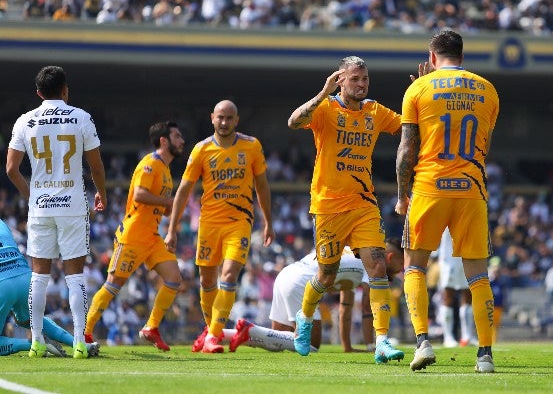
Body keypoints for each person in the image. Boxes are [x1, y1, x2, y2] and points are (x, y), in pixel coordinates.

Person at [287, 55, 404, 364]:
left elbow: (407, 125)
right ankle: (304, 315)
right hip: (328, 206)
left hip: (364, 204)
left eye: (365, 79)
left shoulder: (374, 111)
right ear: (341, 81)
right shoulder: (325, 109)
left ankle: (381, 341)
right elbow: (293, 121)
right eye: (355, 79)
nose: (362, 84)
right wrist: (323, 93)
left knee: (378, 268)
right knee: (326, 275)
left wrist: (423, 92)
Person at [395, 29, 499, 373]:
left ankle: (423, 342)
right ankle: (484, 355)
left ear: (432, 57)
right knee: (478, 276)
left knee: (414, 267)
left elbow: (407, 150)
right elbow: (482, 141)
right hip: (471, 189)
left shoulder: (418, 89)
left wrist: (402, 194)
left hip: (429, 187)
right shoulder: (488, 90)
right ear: (463, 57)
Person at [6, 65, 107, 359]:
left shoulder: (25, 121)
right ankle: (78, 341)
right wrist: (100, 191)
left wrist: (32, 196)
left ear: (38, 93)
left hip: (41, 207)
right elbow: (96, 167)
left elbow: (11, 169)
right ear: (66, 90)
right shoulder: (81, 118)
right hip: (72, 206)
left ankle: (36, 341)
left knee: (39, 275)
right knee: (74, 275)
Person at [164, 100, 275, 354]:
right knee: (207, 281)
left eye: (229, 118)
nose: (224, 123)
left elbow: (262, 185)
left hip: (240, 222)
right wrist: (172, 229)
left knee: (228, 276)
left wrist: (268, 221)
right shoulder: (201, 150)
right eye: (220, 118)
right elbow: (183, 190)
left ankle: (213, 335)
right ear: (212, 118)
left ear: (237, 120)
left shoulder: (252, 146)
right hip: (209, 224)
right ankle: (210, 330)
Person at [84, 121, 185, 352]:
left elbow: (159, 205)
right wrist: (167, 202)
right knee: (114, 284)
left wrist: (168, 208)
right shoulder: (150, 163)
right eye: (177, 136)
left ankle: (151, 327)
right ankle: (86, 331)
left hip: (152, 236)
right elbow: (140, 195)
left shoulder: (167, 173)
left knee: (174, 279)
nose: (182, 141)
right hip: (133, 235)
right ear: (164, 140)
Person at [227, 237, 405, 353]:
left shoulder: (355, 253)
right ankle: (251, 330)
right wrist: (371, 346)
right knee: (311, 346)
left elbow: (345, 308)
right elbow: (368, 308)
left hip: (287, 275)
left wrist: (348, 347)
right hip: (301, 282)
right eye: (401, 264)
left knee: (277, 340)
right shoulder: (373, 262)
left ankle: (219, 334)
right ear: (390, 257)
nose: (399, 271)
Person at [0, 218, 100, 357]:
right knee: (30, 320)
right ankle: (78, 343)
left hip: (2, 284)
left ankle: (34, 343)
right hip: (24, 275)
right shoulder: (2, 223)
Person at [436, 227, 477, 348]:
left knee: (468, 293)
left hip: (466, 254)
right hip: (449, 257)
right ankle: (447, 336)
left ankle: (468, 336)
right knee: (449, 294)